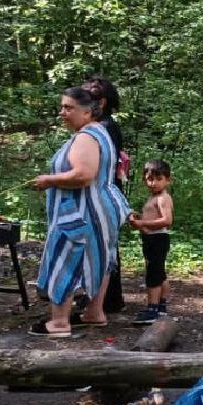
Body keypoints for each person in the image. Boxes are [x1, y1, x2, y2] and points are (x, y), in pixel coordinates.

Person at [30, 86, 130, 336]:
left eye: (68, 107)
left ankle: (59, 323)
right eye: (62, 106)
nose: (62, 112)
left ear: (87, 113)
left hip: (81, 211)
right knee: (101, 258)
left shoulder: (86, 136)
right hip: (100, 209)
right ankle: (94, 313)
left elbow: (84, 175)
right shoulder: (100, 131)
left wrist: (49, 180)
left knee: (65, 259)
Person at [82, 75, 128, 315]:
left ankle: (109, 300)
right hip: (98, 190)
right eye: (87, 95)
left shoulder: (106, 126)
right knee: (99, 245)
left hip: (104, 190)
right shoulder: (96, 125)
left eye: (96, 96)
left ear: (106, 101)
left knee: (105, 246)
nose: (90, 100)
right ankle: (101, 298)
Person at [128, 159, 174, 325]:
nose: (153, 183)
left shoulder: (162, 198)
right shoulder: (153, 197)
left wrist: (143, 224)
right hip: (151, 239)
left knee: (153, 275)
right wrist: (139, 220)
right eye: (149, 179)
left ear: (168, 180)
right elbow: (152, 218)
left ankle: (152, 308)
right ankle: (161, 306)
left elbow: (167, 220)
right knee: (159, 272)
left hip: (157, 239)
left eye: (158, 178)